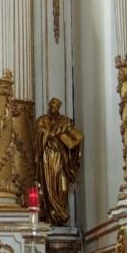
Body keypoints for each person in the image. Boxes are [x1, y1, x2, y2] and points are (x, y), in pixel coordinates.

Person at [34, 97, 84, 227]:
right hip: (47, 158)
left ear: (59, 108)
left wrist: (70, 143)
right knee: (48, 185)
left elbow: (78, 137)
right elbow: (38, 136)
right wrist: (48, 134)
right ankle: (50, 215)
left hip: (61, 159)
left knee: (62, 187)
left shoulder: (65, 122)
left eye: (55, 106)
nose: (52, 108)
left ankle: (60, 214)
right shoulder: (42, 120)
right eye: (51, 106)